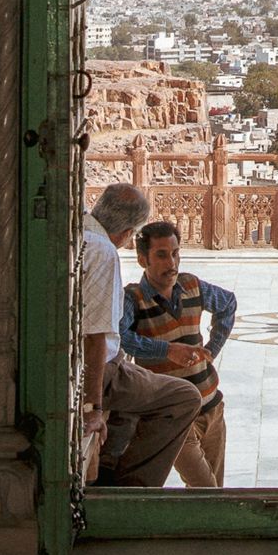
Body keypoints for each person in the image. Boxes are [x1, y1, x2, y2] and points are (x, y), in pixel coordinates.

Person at [82, 184, 202, 486]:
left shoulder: (80, 228)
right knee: (183, 398)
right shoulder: (103, 251)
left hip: (103, 364)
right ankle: (131, 490)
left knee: (135, 396)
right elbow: (95, 338)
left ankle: (110, 470)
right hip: (101, 371)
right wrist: (93, 409)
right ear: (127, 234)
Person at [122, 221, 237, 488]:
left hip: (212, 408)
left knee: (213, 492)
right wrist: (166, 350)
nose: (171, 262)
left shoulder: (191, 286)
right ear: (143, 260)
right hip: (174, 419)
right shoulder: (134, 299)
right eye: (161, 255)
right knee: (206, 491)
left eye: (175, 253)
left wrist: (212, 348)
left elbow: (228, 303)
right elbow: (123, 339)